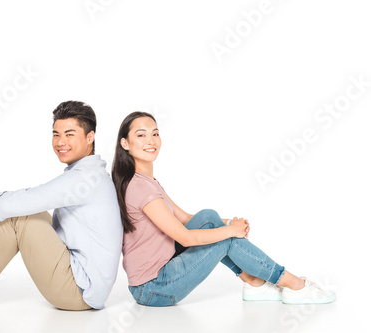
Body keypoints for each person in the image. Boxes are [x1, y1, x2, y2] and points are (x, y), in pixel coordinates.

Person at [111, 111, 336, 306]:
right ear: (125, 144)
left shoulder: (146, 181)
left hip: (158, 276)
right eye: (141, 135)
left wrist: (229, 223)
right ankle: (293, 284)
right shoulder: (140, 187)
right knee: (223, 239)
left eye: (155, 133)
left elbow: (185, 218)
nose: (151, 140)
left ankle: (254, 283)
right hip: (154, 288)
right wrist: (230, 232)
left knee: (209, 217)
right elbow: (185, 238)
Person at [0, 101, 123, 311]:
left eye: (69, 134)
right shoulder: (90, 174)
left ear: (90, 137)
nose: (60, 142)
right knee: (25, 211)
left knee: (17, 215)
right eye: (56, 134)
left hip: (79, 293)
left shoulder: (85, 179)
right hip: (84, 282)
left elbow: (25, 200)